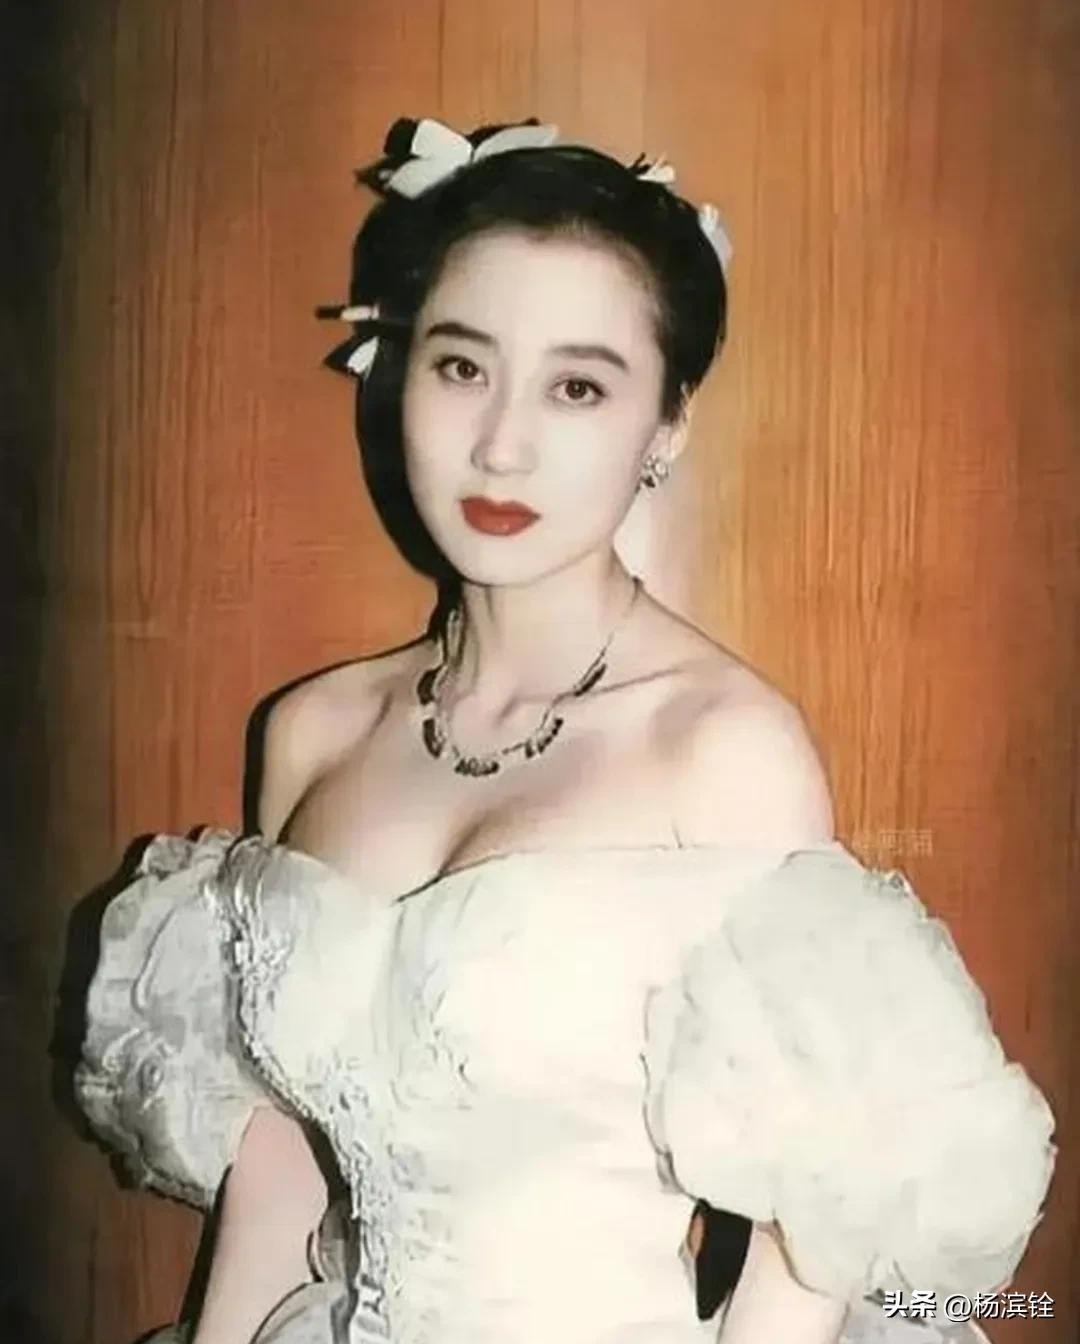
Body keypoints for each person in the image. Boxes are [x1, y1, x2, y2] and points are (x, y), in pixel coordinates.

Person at [73, 116, 1057, 1344]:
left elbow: (808, 1236)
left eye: (578, 386)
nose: (503, 443)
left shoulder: (721, 750)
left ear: (667, 426)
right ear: (397, 373)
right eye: (461, 367)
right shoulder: (314, 733)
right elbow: (281, 1158)